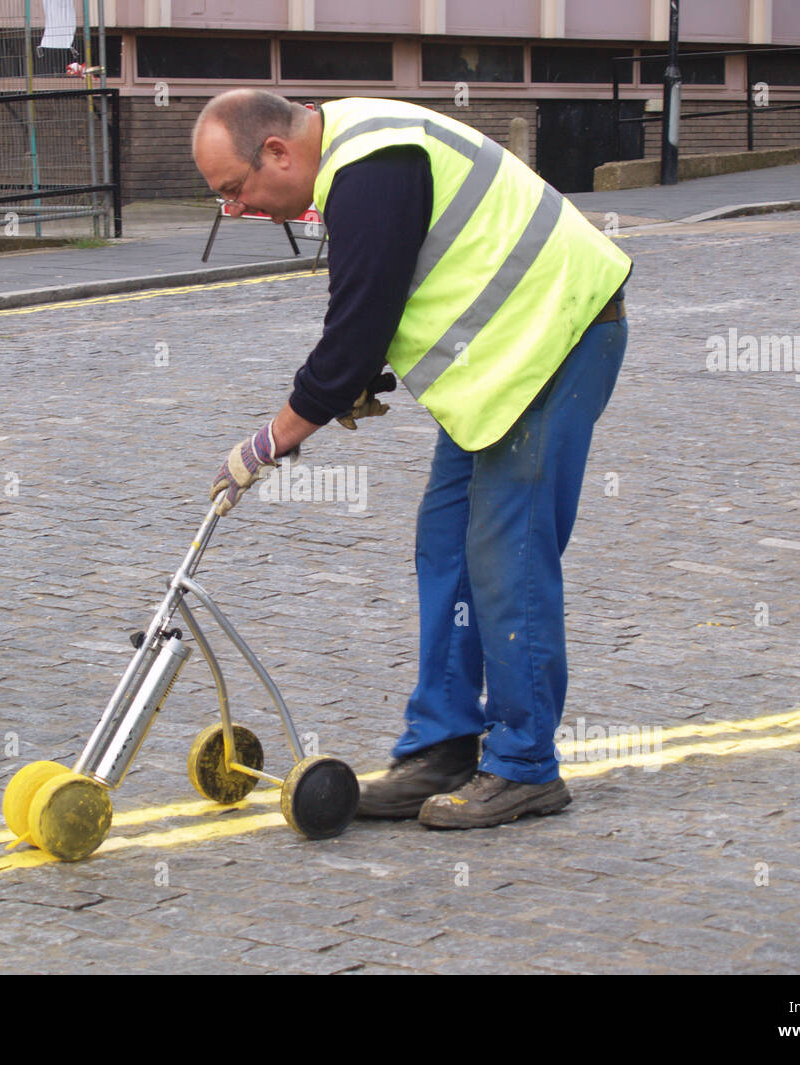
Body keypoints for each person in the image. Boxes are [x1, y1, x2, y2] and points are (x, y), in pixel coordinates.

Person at [192, 90, 631, 829]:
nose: (235, 210)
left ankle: (525, 766)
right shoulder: (354, 160)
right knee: (446, 547)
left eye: (234, 191)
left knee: (506, 555)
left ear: (276, 152)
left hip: (559, 336)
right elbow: (376, 296)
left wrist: (268, 442)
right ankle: (444, 745)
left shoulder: (369, 166)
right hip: (504, 363)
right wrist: (355, 377)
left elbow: (352, 337)